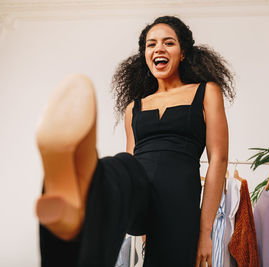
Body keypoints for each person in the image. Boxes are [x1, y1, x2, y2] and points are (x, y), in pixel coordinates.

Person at [36, 15, 235, 267]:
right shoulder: (134, 107)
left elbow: (218, 159)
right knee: (120, 167)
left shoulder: (205, 92)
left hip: (178, 201)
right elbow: (131, 154)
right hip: (136, 188)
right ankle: (85, 176)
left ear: (183, 53)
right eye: (151, 44)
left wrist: (205, 231)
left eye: (168, 43)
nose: (158, 49)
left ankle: (76, 210)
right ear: (144, 55)